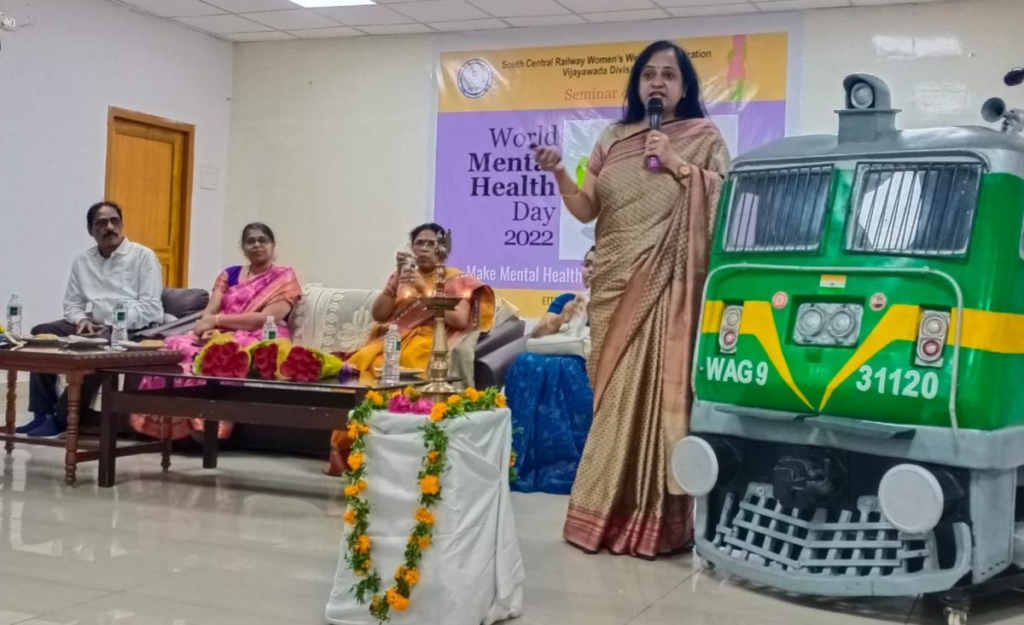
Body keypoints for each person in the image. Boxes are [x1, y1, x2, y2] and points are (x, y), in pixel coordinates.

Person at [533, 40, 730, 558]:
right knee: (611, 398)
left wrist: (679, 167)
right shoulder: (613, 138)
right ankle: (599, 514)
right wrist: (559, 173)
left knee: (644, 402)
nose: (658, 83)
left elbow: (725, 201)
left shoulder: (701, 136)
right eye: (649, 75)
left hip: (665, 285)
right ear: (636, 84)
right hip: (613, 281)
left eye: (669, 75)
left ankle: (651, 522)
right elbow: (585, 208)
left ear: (685, 87)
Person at [324, 223, 495, 475]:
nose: (424, 248)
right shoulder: (401, 276)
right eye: (419, 243)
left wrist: (421, 288)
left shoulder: (456, 280)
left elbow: (459, 320)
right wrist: (395, 281)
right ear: (411, 248)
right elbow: (380, 314)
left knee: (401, 375)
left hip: (430, 341)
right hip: (392, 340)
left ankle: (396, 459)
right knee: (357, 372)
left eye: (431, 243)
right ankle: (352, 452)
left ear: (443, 250)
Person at [129, 223, 302, 441]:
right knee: (174, 345)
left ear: (272, 245)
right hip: (222, 332)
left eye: (263, 240)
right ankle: (170, 422)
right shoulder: (229, 274)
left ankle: (207, 425)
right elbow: (208, 314)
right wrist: (207, 330)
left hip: (262, 333)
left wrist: (217, 321)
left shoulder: (283, 277)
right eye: (250, 240)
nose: (257, 244)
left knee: (225, 353)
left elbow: (266, 318)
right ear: (243, 247)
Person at [20, 201, 164, 437]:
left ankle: (62, 417)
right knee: (41, 333)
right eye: (101, 223)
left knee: (93, 346)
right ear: (90, 230)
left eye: (114, 221)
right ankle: (42, 413)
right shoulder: (83, 260)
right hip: (92, 325)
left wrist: (109, 322)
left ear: (121, 224)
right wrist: (80, 320)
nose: (109, 227)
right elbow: (72, 304)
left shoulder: (142, 257)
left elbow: (150, 308)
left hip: (128, 328)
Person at [506, 247, 595, 494]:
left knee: (566, 368)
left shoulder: (613, 300)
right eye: (587, 264)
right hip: (555, 354)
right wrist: (562, 317)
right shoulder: (565, 298)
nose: (591, 270)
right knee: (524, 362)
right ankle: (520, 459)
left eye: (597, 265)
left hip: (586, 362)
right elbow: (538, 333)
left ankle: (567, 462)